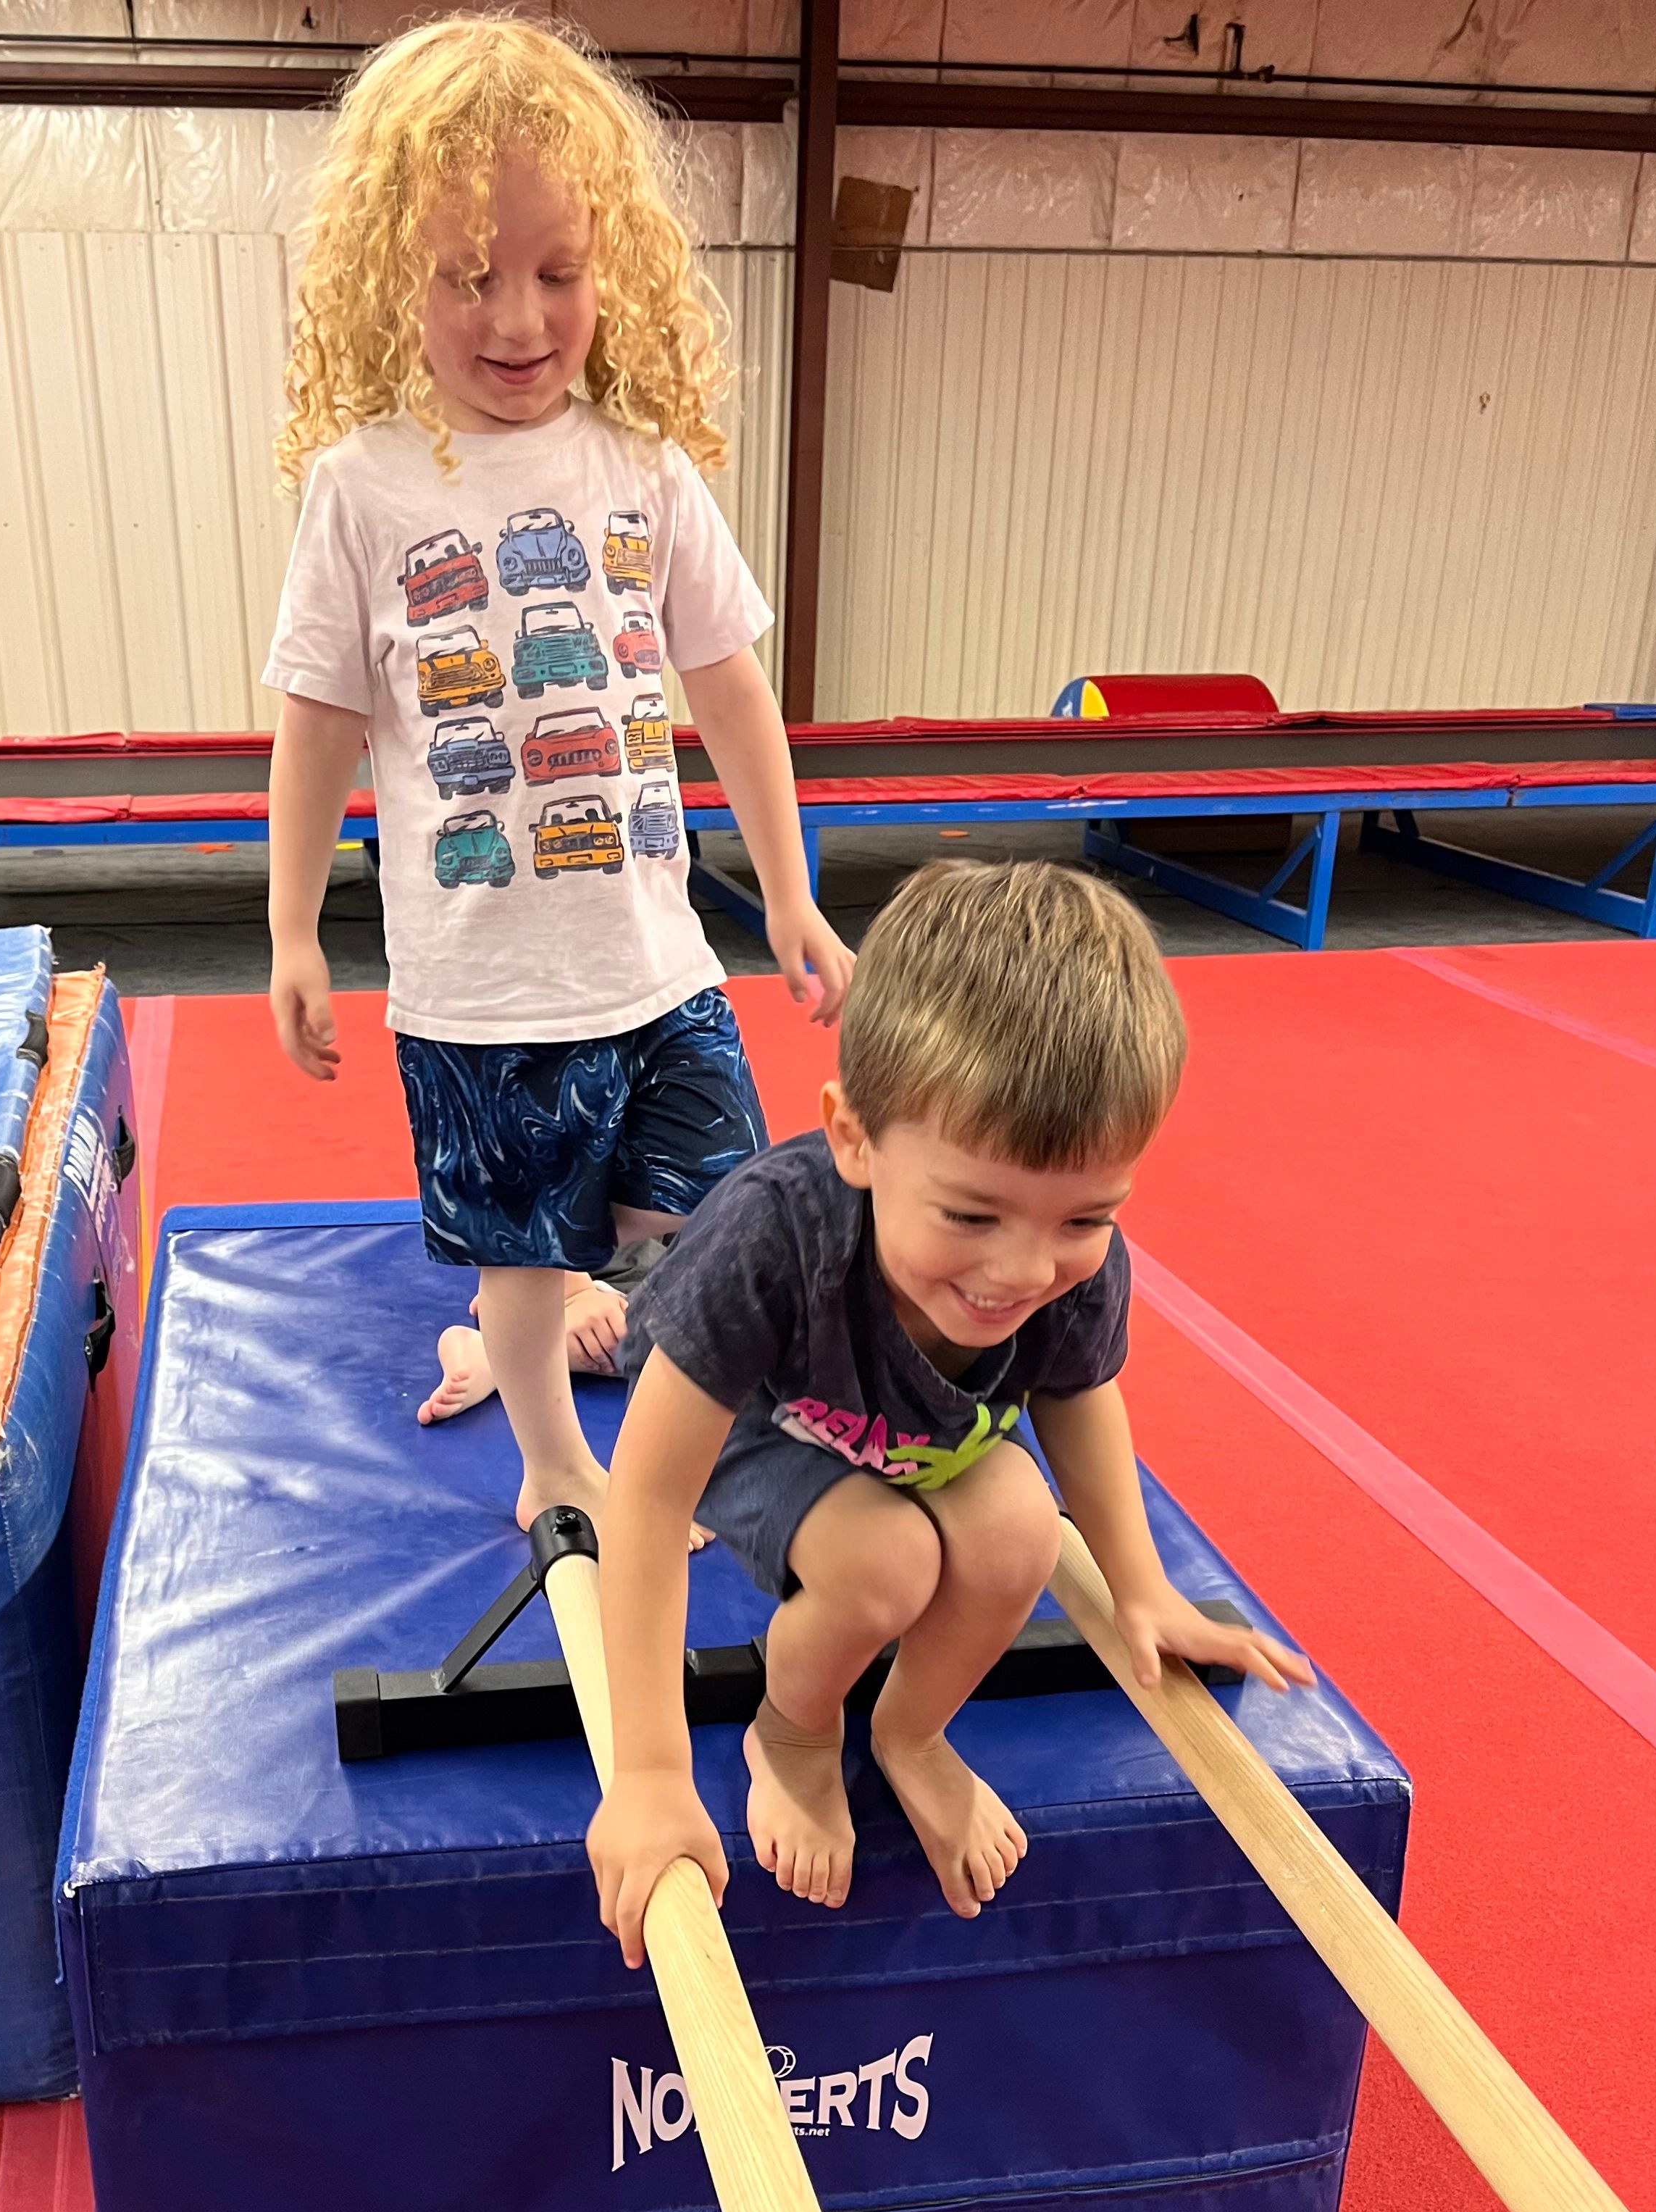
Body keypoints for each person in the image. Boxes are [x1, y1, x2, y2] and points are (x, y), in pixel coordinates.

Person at [262, 14, 850, 1534]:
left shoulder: (644, 468)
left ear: (612, 270)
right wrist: (290, 935)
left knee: (722, 1220)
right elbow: (319, 721)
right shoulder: (365, 486)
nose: (517, 318)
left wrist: (788, 894)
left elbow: (732, 687)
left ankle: (668, 1398)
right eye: (469, 278)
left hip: (655, 962)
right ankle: (548, 1455)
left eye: (555, 274)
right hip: (484, 990)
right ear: (395, 276)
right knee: (523, 1253)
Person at [584, 859, 1316, 1967]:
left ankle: (911, 1732)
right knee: (885, 1564)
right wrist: (646, 1775)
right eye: (973, 1214)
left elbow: (1078, 1400)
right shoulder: (767, 1241)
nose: (1025, 1268)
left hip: (917, 1436)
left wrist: (1142, 1588)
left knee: (1023, 1524)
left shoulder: (1069, 1259)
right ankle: (793, 1732)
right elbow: (644, 1497)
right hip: (765, 1427)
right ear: (854, 1138)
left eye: (1085, 1216)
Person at [417, 1237, 665, 1427]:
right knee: (672, 1341)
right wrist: (575, 1293)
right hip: (592, 1252)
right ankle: (521, 1303)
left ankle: (515, 1311)